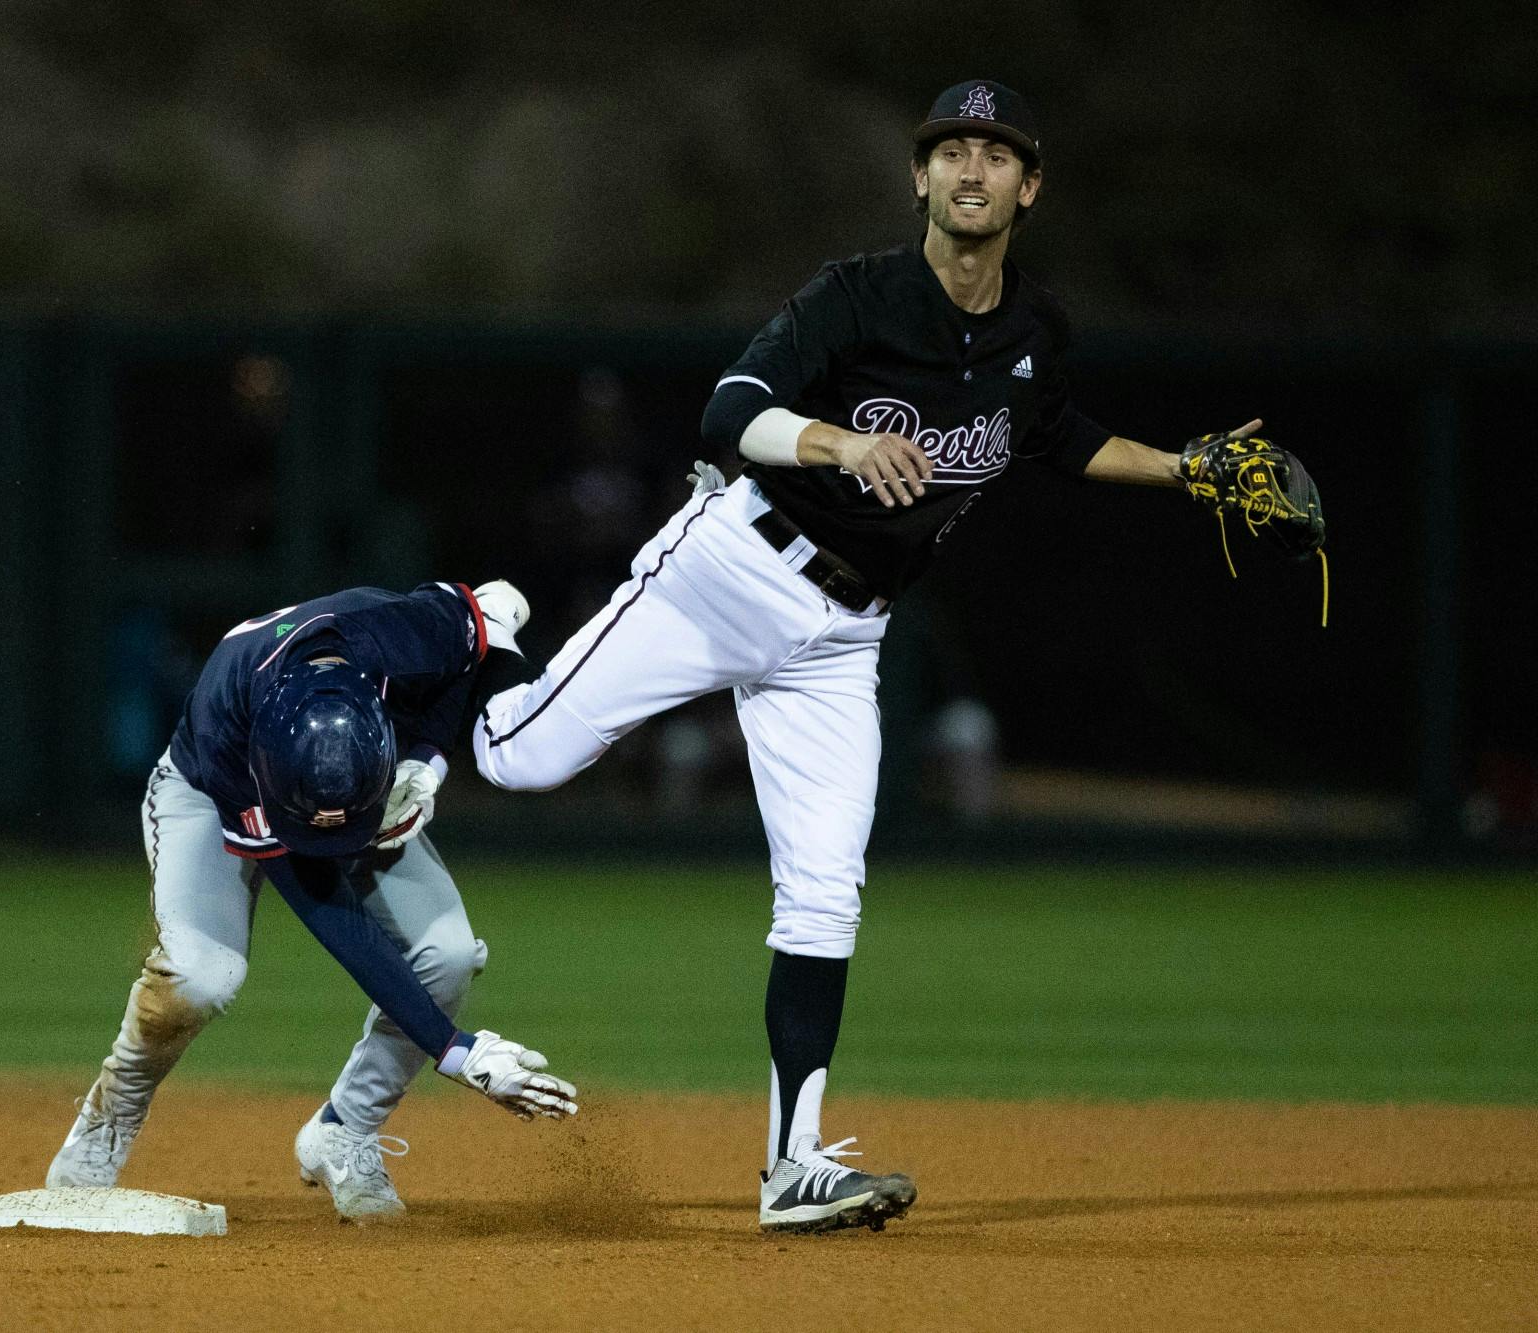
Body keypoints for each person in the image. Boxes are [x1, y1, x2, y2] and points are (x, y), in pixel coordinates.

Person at [473, 79, 1265, 1234]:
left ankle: (791, 1169)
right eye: (950, 148)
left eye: (995, 153)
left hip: (845, 636)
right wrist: (838, 440)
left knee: (824, 893)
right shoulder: (854, 297)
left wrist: (1186, 470)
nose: (970, 168)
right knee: (514, 761)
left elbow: (1058, 437)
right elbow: (726, 408)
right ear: (919, 178)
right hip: (731, 569)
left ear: (1027, 186)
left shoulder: (1031, 331)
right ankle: (451, 643)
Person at [47, 579, 576, 1222]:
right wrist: (454, 1050)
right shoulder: (231, 731)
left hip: (355, 780)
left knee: (451, 955)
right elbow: (327, 906)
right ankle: (110, 1118)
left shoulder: (415, 628)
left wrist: (424, 766)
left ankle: (345, 1130)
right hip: (202, 795)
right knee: (200, 976)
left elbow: (470, 657)